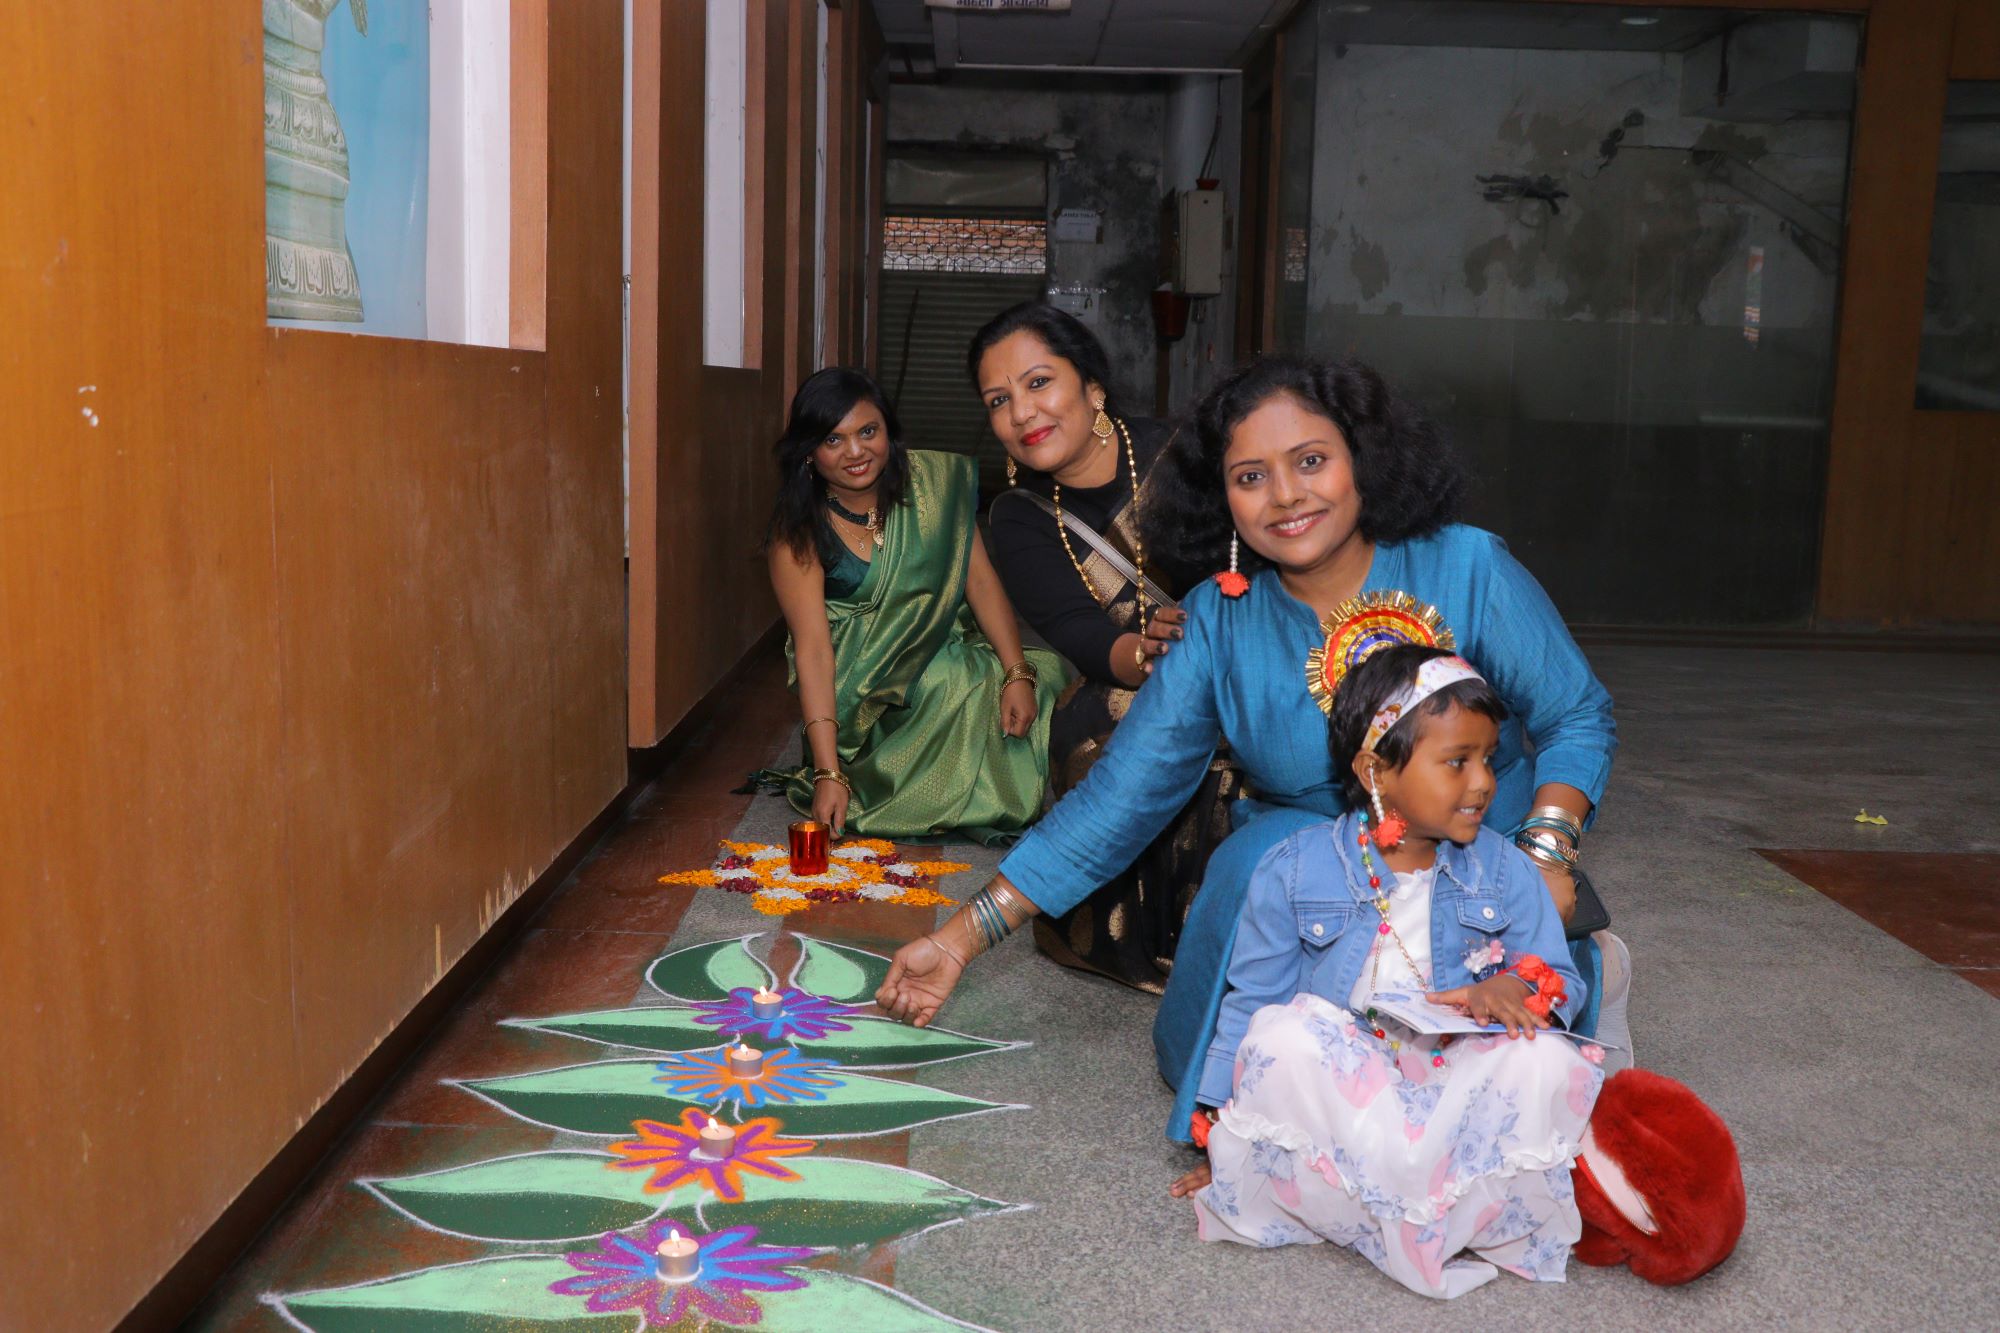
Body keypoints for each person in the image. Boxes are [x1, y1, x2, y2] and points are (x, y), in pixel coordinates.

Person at [876, 354, 1627, 1139]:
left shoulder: (1466, 562)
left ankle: (1582, 967)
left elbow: (1575, 714)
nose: (1286, 496)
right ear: (1219, 496)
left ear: (1363, 459)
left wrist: (1544, 855)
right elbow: (1120, 796)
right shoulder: (1218, 618)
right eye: (1250, 477)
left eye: (1311, 461)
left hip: (1483, 859)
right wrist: (960, 937)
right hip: (1320, 885)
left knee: (1505, 1105)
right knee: (1256, 872)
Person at [1175, 645, 1602, 1299]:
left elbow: (1560, 980)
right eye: (1457, 761)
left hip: (1456, 1076)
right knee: (1281, 1036)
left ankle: (1393, 1201)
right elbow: (1249, 1006)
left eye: (1489, 758)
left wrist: (1515, 986)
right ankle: (1419, 1203)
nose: (1483, 783)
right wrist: (1226, 1142)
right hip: (1346, 1093)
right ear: (1375, 769)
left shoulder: (1506, 868)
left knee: (1543, 1059)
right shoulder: (1295, 869)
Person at [970, 301, 1240, 991]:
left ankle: (1234, 930)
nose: (1022, 412)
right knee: (1093, 718)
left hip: (1253, 643)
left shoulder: (1184, 452)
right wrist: (1144, 655)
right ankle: (1141, 937)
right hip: (1146, 668)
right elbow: (1080, 634)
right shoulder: (1019, 516)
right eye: (999, 400)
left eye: (1038, 382)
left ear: (1092, 386)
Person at [755, 367, 1063, 845]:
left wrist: (1016, 672)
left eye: (868, 432)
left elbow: (981, 583)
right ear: (809, 453)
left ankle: (972, 793)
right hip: (858, 690)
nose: (855, 452)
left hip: (936, 644)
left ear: (889, 433)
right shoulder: (798, 532)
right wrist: (827, 772)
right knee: (953, 679)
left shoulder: (932, 488)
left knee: (1039, 676)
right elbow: (813, 650)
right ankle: (932, 792)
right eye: (833, 440)